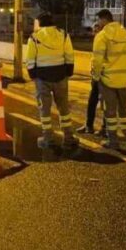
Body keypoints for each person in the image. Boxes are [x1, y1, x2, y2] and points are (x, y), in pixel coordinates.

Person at [25, 12, 77, 154]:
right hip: (61, 75)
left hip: (42, 78)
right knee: (64, 108)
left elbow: (30, 59)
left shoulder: (34, 38)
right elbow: (69, 54)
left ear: (40, 23)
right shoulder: (63, 34)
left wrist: (33, 75)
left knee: (45, 110)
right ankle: (68, 137)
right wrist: (68, 71)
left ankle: (48, 139)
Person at [91, 9, 126, 149]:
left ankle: (113, 141)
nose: (97, 23)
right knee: (124, 110)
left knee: (110, 112)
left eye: (98, 20)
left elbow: (97, 61)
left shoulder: (102, 36)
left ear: (104, 20)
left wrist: (95, 76)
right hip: (124, 79)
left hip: (108, 79)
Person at [77, 20, 107, 136]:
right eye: (94, 29)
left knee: (104, 104)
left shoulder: (104, 40)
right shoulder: (97, 40)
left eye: (96, 28)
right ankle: (88, 125)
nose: (94, 31)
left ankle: (104, 128)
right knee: (92, 101)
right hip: (96, 77)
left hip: (103, 77)